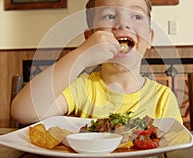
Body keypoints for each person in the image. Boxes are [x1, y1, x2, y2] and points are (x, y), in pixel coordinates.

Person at [11, 0, 183, 125]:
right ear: (90, 38)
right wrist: (81, 55)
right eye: (109, 15)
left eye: (137, 16)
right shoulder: (81, 89)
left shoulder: (163, 98)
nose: (123, 23)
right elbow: (22, 112)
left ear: (149, 38)